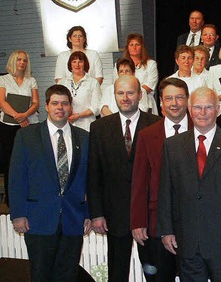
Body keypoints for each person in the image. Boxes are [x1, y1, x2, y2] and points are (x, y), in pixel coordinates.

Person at [157, 87, 221, 281]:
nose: (202, 113)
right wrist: (166, 230)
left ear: (217, 109)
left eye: (208, 107)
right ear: (190, 110)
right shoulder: (172, 146)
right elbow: (166, 191)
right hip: (187, 241)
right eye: (197, 107)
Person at [9, 85, 90, 281]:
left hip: (73, 219)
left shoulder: (85, 137)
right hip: (38, 220)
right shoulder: (27, 136)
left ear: (70, 107)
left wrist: (88, 213)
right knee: (40, 274)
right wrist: (18, 214)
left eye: (64, 103)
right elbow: (17, 176)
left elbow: (90, 180)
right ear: (46, 106)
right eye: (55, 103)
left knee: (68, 275)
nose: (60, 107)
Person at [88, 75, 161, 282]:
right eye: (120, 93)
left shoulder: (156, 124)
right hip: (114, 216)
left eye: (130, 93)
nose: (125, 98)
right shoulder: (99, 128)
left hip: (148, 217)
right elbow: (94, 174)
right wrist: (97, 213)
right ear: (114, 96)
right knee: (117, 275)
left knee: (154, 274)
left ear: (140, 95)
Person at [130, 78, 192, 282]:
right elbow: (139, 182)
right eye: (169, 98)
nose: (174, 103)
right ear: (161, 102)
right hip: (156, 225)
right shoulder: (147, 135)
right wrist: (138, 221)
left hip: (194, 224)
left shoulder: (202, 130)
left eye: (179, 97)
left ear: (187, 100)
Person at [0, 50, 39, 205]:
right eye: (19, 60)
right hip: (8, 126)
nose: (22, 63)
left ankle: (30, 197)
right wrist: (17, 116)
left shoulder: (31, 80)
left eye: (24, 60)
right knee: (10, 163)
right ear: (13, 61)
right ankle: (11, 200)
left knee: (29, 162)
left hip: (28, 125)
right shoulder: (3, 79)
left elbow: (36, 103)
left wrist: (25, 116)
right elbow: (2, 102)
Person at [59, 51, 101, 132]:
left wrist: (79, 115)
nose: (77, 65)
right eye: (74, 62)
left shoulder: (93, 82)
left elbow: (96, 107)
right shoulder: (62, 82)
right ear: (70, 64)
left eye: (80, 62)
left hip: (87, 126)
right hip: (66, 125)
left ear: (85, 64)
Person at [118, 32, 159, 114]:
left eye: (137, 45)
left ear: (142, 47)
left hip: (147, 103)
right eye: (131, 45)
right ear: (127, 47)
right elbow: (117, 83)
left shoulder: (151, 64)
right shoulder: (119, 65)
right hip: (126, 102)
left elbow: (150, 85)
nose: (134, 47)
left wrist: (133, 92)